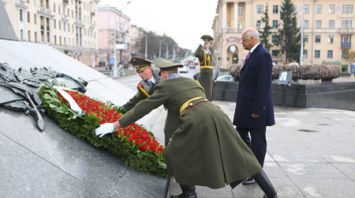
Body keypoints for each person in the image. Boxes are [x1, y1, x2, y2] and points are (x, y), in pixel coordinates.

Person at [95, 58, 277, 198]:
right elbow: (184, 106)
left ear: (164, 74)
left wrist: (115, 125)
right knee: (244, 155)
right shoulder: (192, 81)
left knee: (173, 154)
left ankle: (189, 194)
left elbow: (141, 108)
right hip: (217, 115)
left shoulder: (165, 86)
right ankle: (271, 194)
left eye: (160, 73)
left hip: (198, 118)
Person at [233, 27, 275, 185]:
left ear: (251, 39)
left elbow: (263, 85)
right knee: (240, 135)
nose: (241, 42)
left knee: (258, 142)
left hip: (256, 110)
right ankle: (250, 167)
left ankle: (256, 174)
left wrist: (258, 110)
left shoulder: (263, 55)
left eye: (243, 39)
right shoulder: (253, 54)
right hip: (246, 108)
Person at [194, 34, 214, 101]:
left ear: (209, 45)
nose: (206, 45)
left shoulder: (210, 52)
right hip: (203, 71)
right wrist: (200, 46)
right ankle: (200, 99)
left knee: (209, 88)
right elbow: (196, 54)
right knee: (200, 86)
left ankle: (208, 101)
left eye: (207, 43)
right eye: (205, 43)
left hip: (210, 72)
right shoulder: (201, 52)